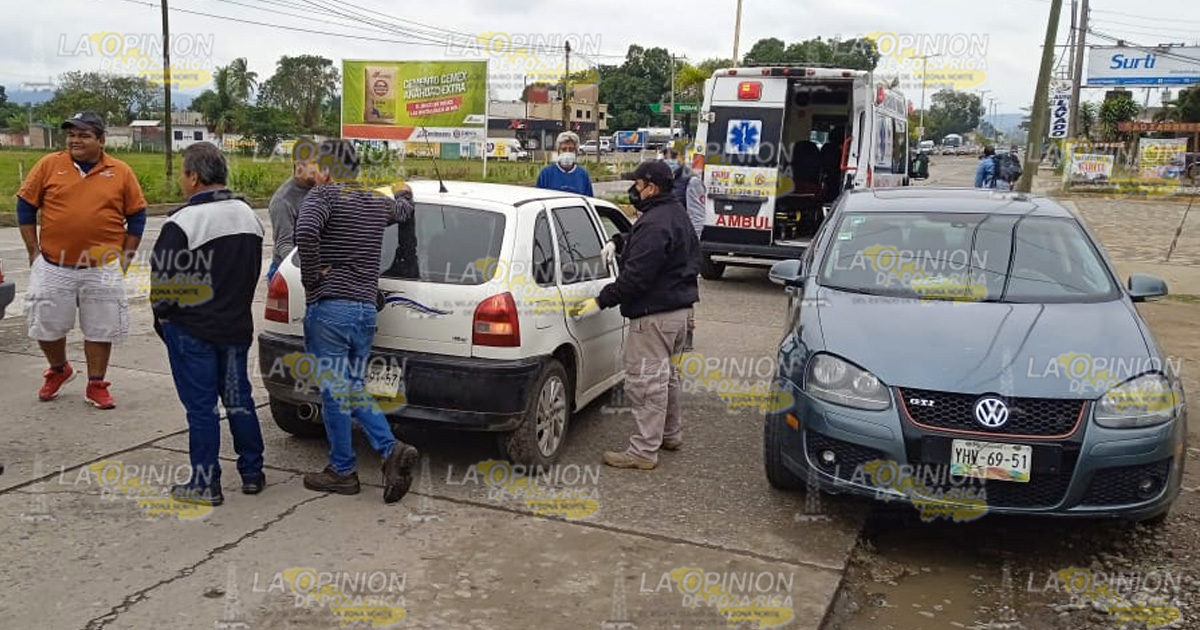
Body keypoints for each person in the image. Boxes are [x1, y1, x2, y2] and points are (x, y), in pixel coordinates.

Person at [294, 140, 420, 504]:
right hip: (365, 311)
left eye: (318, 165)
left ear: (329, 169)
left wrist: (314, 278)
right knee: (348, 386)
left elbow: (304, 234)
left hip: (331, 310)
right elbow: (403, 211)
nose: (315, 171)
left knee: (337, 390)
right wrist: (406, 192)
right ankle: (366, 458)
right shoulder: (375, 201)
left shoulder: (324, 196)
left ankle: (357, 462)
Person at [151, 142, 266, 506]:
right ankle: (252, 472)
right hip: (236, 327)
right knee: (238, 400)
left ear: (194, 176)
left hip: (192, 330)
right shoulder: (249, 215)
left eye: (183, 174)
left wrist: (165, 319)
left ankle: (205, 482)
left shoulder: (183, 222)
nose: (182, 182)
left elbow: (164, 286)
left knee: (201, 409)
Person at [572, 160, 699, 470]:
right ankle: (670, 435)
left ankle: (643, 451)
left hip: (654, 317)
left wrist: (601, 301)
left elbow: (636, 278)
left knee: (646, 384)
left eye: (638, 184)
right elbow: (648, 246)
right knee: (666, 379)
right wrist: (619, 241)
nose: (634, 190)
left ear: (651, 187)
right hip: (679, 313)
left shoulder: (655, 223)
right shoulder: (672, 214)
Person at [16, 111, 147, 409]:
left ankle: (96, 384)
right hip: (52, 265)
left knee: (101, 328)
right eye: (71, 135)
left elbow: (137, 216)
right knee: (45, 326)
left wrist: (126, 257)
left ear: (101, 141)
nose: (75, 140)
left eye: (84, 135)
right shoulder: (49, 165)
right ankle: (60, 370)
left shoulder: (121, 171)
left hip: (102, 269)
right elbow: (25, 206)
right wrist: (33, 251)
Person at [662, 148, 703, 352]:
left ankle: (687, 333)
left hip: (684, 246)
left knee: (685, 288)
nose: (669, 162)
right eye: (666, 158)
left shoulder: (691, 181)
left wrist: (690, 245)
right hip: (665, 244)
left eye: (673, 158)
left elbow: (697, 216)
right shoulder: (663, 180)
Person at [266, 139, 319, 282]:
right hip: (290, 270)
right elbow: (284, 245)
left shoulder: (321, 189)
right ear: (298, 165)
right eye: (314, 163)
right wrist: (311, 270)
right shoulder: (282, 201)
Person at [535, 131, 594, 196]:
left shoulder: (583, 175)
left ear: (576, 152)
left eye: (571, 149)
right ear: (558, 151)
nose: (567, 152)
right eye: (564, 149)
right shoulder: (546, 174)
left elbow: (589, 199)